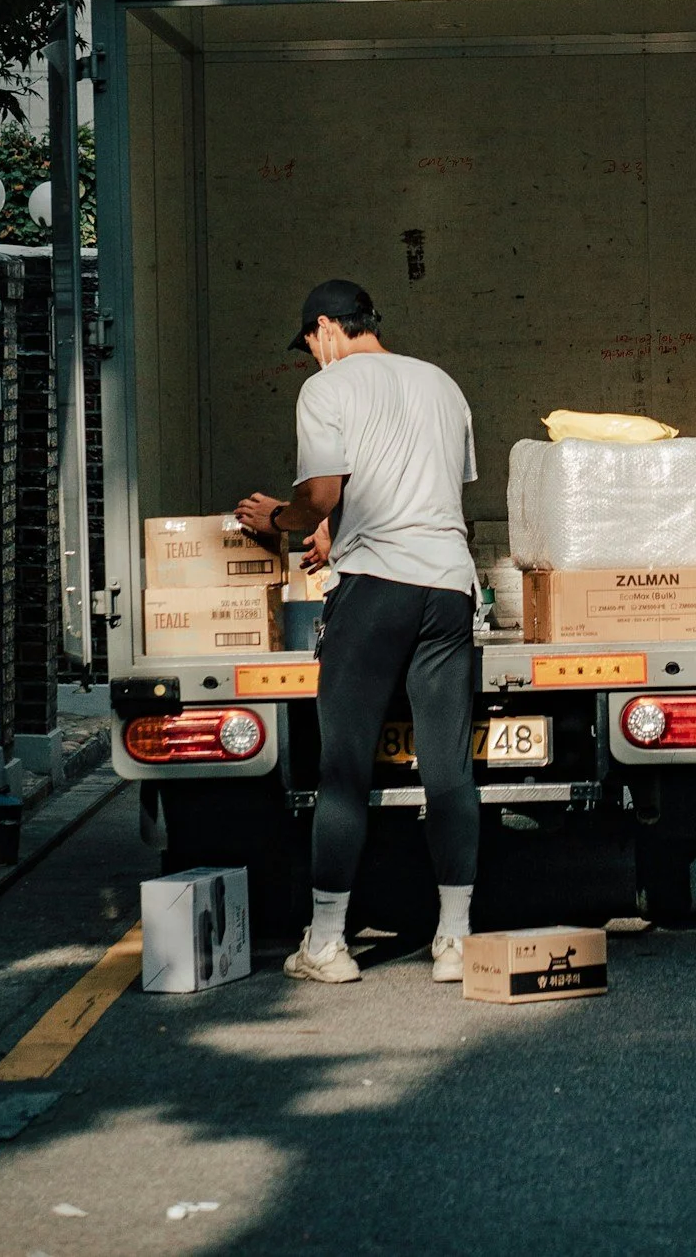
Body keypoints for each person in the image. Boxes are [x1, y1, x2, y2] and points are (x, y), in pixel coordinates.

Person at [235, 279, 480, 987]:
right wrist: (336, 537)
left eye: (310, 344)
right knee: (449, 771)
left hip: (374, 592)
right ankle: (456, 941)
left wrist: (277, 519)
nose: (313, 357)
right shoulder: (442, 384)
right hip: (447, 587)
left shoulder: (329, 387)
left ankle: (328, 944)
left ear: (325, 330)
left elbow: (324, 494)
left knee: (343, 772)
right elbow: (426, 491)